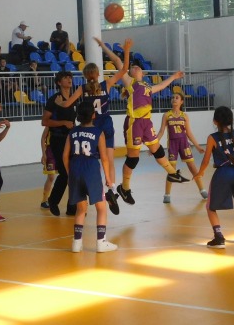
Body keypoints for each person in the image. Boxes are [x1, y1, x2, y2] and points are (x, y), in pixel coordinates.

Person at [99, 41, 189, 205]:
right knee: (133, 159)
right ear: (131, 73)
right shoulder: (130, 82)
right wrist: (108, 48)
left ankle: (172, 173)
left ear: (142, 72)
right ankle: (124, 188)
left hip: (147, 123)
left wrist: (174, 77)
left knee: (157, 150)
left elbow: (161, 85)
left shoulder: (147, 86)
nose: (135, 67)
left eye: (137, 67)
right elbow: (118, 61)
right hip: (134, 123)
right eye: (133, 67)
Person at [56, 37, 132, 214]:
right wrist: (127, 50)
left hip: (90, 126)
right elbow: (124, 69)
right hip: (106, 123)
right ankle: (111, 188)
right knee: (110, 160)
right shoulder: (106, 84)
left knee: (92, 160)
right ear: (98, 74)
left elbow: (67, 104)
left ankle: (89, 188)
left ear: (85, 76)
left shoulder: (82, 89)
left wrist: (60, 103)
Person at [195, 106, 234, 249]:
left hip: (224, 173)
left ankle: (219, 237)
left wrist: (200, 173)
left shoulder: (212, 138)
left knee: (210, 206)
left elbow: (206, 160)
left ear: (215, 121)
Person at [63, 102, 118, 253]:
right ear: (93, 115)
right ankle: (101, 242)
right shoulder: (98, 132)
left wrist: (69, 174)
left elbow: (65, 156)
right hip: (91, 171)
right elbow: (104, 158)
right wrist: (108, 178)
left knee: (81, 208)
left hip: (75, 170)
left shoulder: (72, 132)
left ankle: (76, 243)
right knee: (101, 207)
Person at [156, 91, 207, 204]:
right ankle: (167, 194)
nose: (174, 99)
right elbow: (161, 131)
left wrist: (197, 146)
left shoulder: (184, 116)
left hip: (184, 144)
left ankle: (202, 190)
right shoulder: (166, 115)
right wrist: (153, 145)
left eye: (177, 98)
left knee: (193, 168)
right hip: (173, 144)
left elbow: (189, 133)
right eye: (173, 97)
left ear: (181, 101)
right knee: (171, 170)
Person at [41, 70, 77, 216]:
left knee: (74, 173)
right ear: (59, 82)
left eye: (70, 77)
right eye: (65, 78)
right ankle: (53, 201)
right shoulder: (54, 99)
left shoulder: (74, 98)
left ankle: (72, 207)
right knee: (64, 173)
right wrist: (63, 122)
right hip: (58, 139)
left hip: (72, 139)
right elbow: (45, 121)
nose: (69, 79)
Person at [40, 125, 56, 209]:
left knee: (67, 177)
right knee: (51, 177)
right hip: (50, 151)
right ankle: (44, 200)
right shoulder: (50, 124)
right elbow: (43, 138)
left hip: (61, 150)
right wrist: (43, 153)